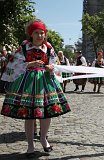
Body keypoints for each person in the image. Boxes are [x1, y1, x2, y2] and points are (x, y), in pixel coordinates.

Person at [0, 19, 71, 158]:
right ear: (31, 34)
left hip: (45, 82)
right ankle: (30, 146)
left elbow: (54, 62)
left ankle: (44, 139)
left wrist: (51, 67)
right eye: (36, 33)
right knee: (30, 115)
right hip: (28, 83)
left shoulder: (48, 47)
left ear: (45, 35)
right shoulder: (24, 47)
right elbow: (14, 63)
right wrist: (29, 63)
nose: (40, 36)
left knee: (47, 113)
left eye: (42, 33)